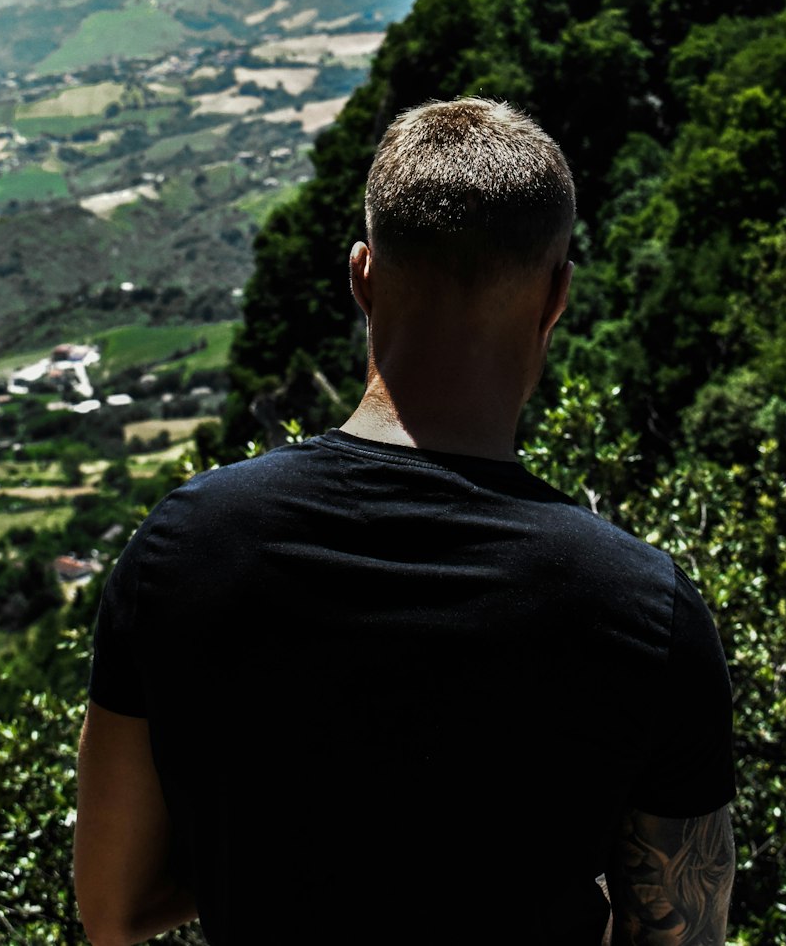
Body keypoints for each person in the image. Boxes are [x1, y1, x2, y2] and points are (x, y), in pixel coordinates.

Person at [75, 97, 735, 946]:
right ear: (557, 298)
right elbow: (682, 930)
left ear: (362, 277)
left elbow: (115, 909)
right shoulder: (648, 612)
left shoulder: (181, 548)